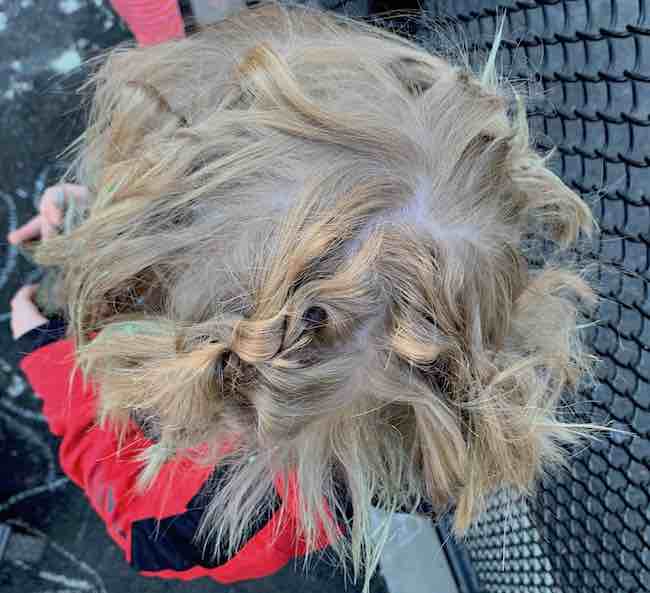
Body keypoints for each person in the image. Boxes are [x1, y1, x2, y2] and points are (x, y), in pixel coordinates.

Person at [7, 4, 596, 590]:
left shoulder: (203, 522)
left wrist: (53, 354)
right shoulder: (409, 407)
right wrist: (98, 224)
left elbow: (129, 517)